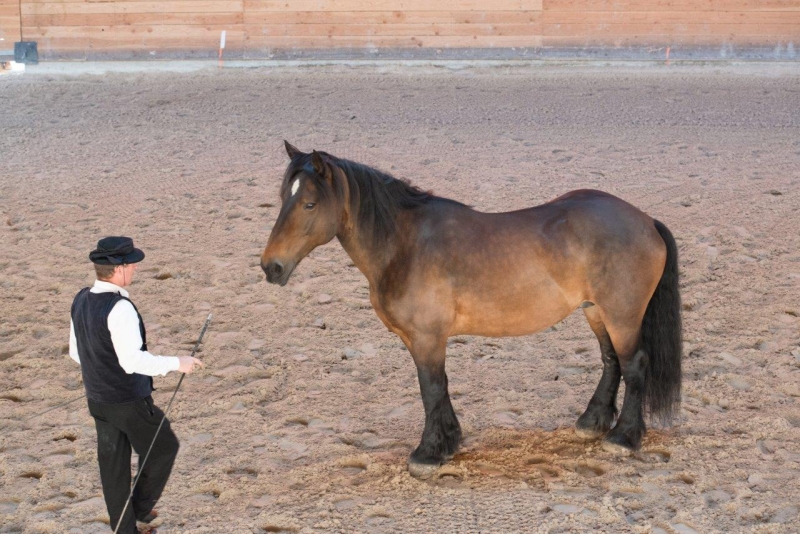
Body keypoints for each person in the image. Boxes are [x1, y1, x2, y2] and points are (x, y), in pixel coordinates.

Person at [69, 236, 203, 534]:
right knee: (164, 447)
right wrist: (177, 362)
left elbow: (76, 353)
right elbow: (132, 362)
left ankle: (125, 529)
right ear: (120, 268)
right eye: (133, 265)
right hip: (128, 402)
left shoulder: (80, 298)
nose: (136, 270)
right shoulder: (120, 308)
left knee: (113, 469)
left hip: (97, 401)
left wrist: (102, 373)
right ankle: (141, 507)